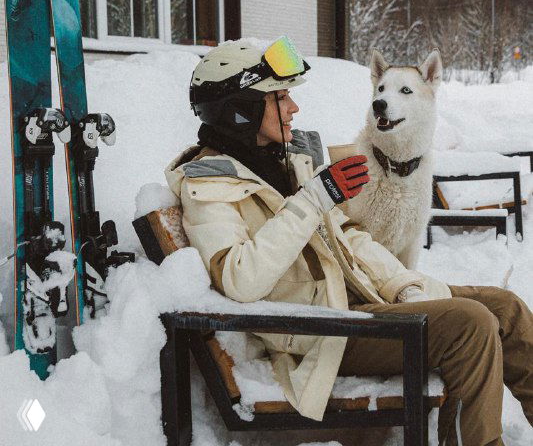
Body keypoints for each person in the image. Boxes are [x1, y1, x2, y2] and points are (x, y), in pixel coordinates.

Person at [165, 36, 533, 446]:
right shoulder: (209, 184)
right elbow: (240, 278)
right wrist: (313, 199)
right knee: (471, 324)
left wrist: (404, 284)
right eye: (279, 98)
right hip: (321, 329)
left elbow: (349, 236)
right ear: (241, 111)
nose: (293, 108)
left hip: (352, 298)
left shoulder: (279, 163)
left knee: (507, 308)